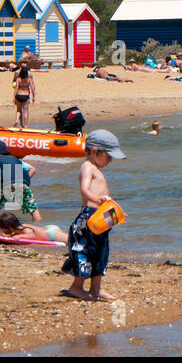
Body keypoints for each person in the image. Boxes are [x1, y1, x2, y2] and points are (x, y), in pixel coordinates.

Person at [61, 129, 126, 302]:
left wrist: (116, 214)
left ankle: (96, 289)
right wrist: (95, 199)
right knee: (85, 251)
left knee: (101, 252)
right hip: (89, 217)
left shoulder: (97, 168)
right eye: (108, 156)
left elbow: (104, 200)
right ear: (95, 151)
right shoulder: (87, 167)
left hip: (101, 217)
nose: (110, 160)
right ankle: (76, 287)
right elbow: (85, 189)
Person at [0, 138, 41, 221]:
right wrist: (23, 182)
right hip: (23, 184)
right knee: (32, 207)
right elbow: (33, 169)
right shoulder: (15, 159)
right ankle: (39, 225)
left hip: (6, 183)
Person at [0, 211, 66, 243]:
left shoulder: (25, 228)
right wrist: (9, 235)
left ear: (9, 227)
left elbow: (33, 236)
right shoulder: (17, 228)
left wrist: (20, 236)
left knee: (69, 240)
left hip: (51, 233)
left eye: (3, 229)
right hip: (46, 229)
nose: (2, 230)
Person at [12, 64, 35, 128]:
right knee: (25, 111)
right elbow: (33, 88)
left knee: (19, 110)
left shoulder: (18, 79)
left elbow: (16, 88)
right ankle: (26, 125)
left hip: (18, 95)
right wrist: (34, 97)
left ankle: (20, 124)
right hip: (26, 95)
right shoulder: (29, 79)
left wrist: (14, 97)